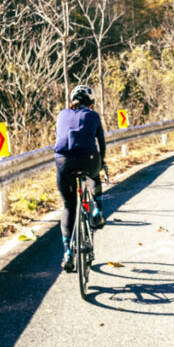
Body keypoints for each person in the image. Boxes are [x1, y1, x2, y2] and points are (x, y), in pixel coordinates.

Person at [53, 84, 107, 272]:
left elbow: (58, 137)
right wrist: (103, 161)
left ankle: (68, 252)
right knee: (94, 175)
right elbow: (100, 141)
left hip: (63, 161)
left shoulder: (61, 115)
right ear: (90, 103)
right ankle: (96, 211)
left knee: (69, 206)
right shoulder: (93, 115)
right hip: (89, 158)